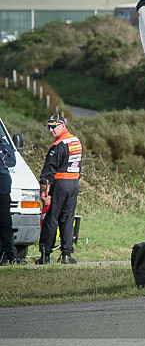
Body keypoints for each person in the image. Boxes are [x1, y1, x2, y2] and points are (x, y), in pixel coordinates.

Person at [36, 113, 82, 265]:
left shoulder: (58, 145)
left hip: (60, 184)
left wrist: (44, 192)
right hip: (74, 184)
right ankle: (67, 255)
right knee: (68, 219)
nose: (50, 130)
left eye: (53, 126)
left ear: (62, 125)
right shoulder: (76, 141)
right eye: (48, 127)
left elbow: (48, 171)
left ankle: (45, 255)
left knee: (51, 219)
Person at [0, 134, 22, 265]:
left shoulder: (3, 144)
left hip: (3, 189)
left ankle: (10, 256)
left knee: (5, 224)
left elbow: (12, 161)